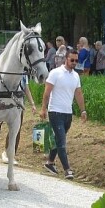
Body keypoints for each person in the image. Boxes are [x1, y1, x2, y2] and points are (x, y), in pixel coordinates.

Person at [40, 49, 87, 180]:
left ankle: (50, 163)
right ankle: (67, 169)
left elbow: (78, 94)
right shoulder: (55, 73)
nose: (74, 63)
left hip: (68, 113)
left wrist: (83, 110)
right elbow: (47, 93)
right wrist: (43, 109)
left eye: (76, 61)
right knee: (61, 141)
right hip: (55, 111)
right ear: (66, 59)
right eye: (72, 60)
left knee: (58, 139)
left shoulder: (76, 76)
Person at [0, 74, 37, 164]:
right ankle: (7, 153)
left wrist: (32, 103)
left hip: (19, 104)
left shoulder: (24, 75)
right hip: (8, 103)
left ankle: (10, 154)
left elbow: (26, 88)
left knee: (17, 129)